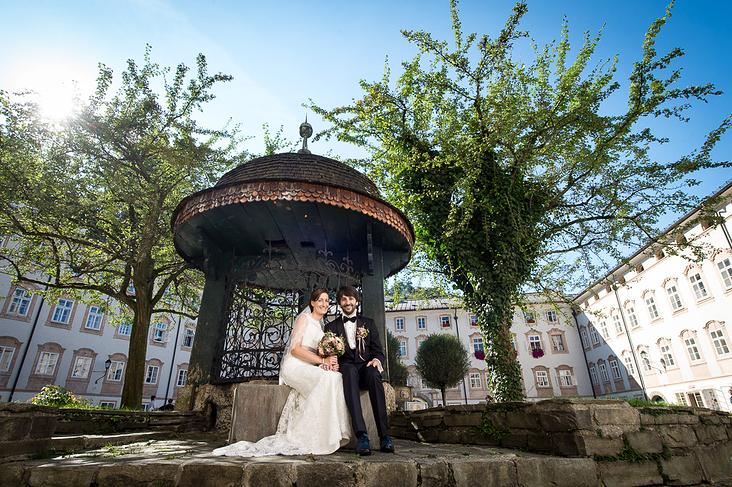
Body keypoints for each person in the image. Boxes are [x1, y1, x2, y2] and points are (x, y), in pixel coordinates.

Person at [213, 289, 351, 457]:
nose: (324, 304)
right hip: (294, 366)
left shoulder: (322, 327)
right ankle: (312, 435)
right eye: (320, 300)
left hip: (310, 367)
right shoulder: (304, 319)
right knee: (329, 378)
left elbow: (319, 354)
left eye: (327, 301)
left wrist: (329, 362)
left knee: (335, 376)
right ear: (312, 303)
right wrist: (322, 362)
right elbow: (294, 350)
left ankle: (329, 432)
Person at [325, 285, 394, 455]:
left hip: (366, 367)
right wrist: (333, 362)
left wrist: (377, 360)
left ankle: (384, 436)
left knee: (374, 374)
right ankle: (361, 435)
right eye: (343, 299)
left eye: (350, 299)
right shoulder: (331, 327)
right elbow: (329, 352)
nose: (347, 302)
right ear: (340, 303)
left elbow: (378, 351)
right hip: (347, 368)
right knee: (348, 371)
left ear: (356, 301)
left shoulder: (368, 323)